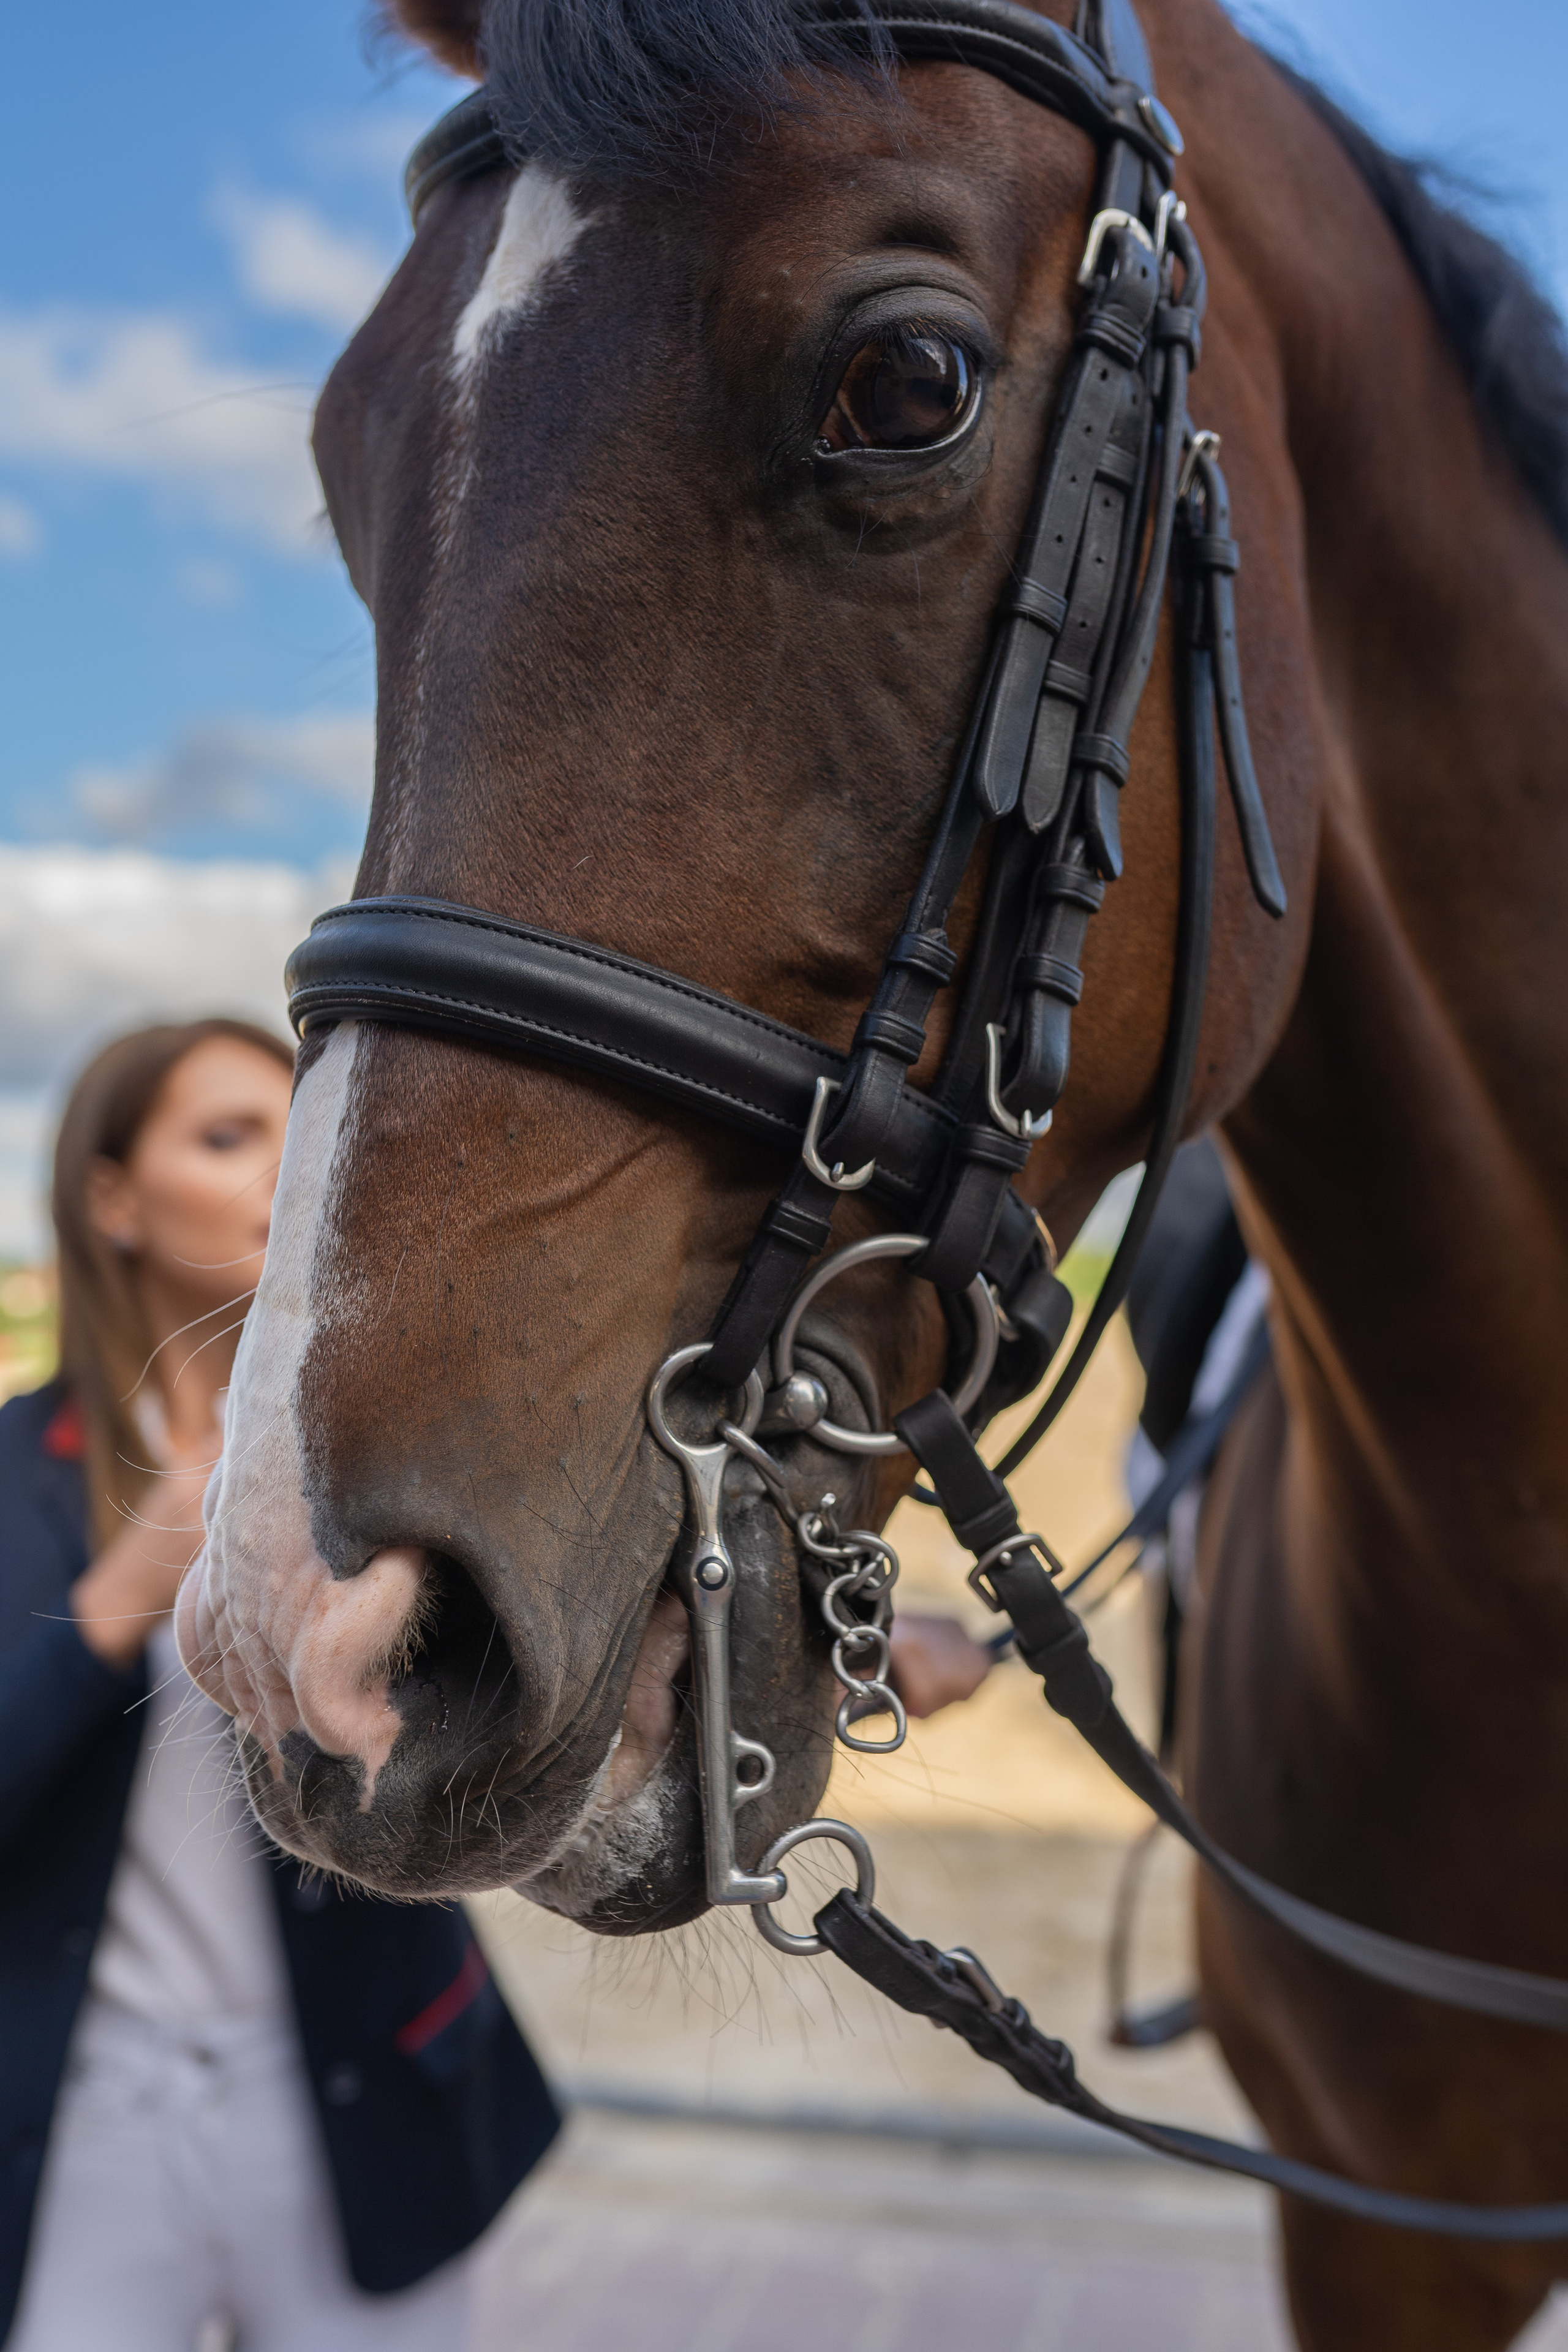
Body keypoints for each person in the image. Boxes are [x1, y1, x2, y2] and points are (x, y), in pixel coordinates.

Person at [0, 1020, 559, 2352]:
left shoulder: (405, 1474)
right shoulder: (14, 1470)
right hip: (82, 2118)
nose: (285, 1167)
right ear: (113, 1200)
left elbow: (546, 1697)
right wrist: (117, 1594)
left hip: (359, 2095)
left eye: (301, 1132)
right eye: (226, 1135)